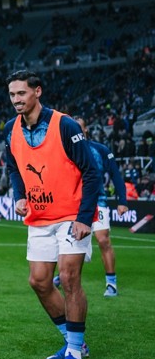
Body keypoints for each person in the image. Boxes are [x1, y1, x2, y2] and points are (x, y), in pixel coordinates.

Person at [3, 70, 101, 359]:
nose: (16, 99)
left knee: (70, 278)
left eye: (22, 93)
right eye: (12, 95)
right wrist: (19, 196)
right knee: (39, 282)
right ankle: (73, 340)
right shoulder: (10, 129)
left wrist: (85, 218)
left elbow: (91, 171)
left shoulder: (65, 125)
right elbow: (14, 167)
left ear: (37, 92)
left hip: (72, 216)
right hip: (40, 217)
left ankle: (74, 351)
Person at [52, 117, 127, 297]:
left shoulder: (100, 150)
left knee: (103, 239)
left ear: (85, 130)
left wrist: (122, 200)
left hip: (97, 201)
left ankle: (111, 282)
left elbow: (115, 175)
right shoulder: (62, 150)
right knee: (71, 244)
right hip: (72, 205)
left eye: (80, 127)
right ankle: (63, 277)